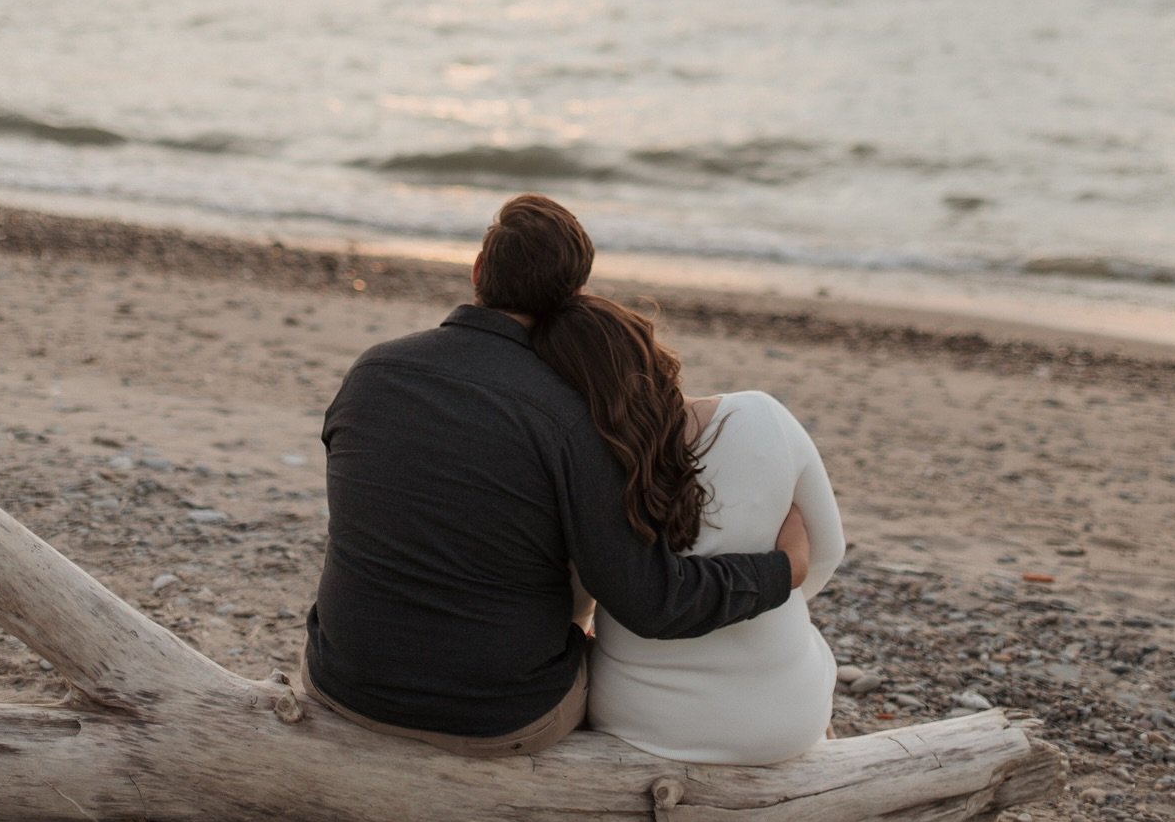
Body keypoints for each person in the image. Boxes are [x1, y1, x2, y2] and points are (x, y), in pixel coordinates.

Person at [303, 193, 811, 756]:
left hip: (342, 683)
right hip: (495, 717)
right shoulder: (570, 415)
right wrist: (781, 570)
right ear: (576, 294)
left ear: (478, 271)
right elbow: (650, 602)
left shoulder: (372, 371)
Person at [532, 289, 845, 765]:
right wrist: (771, 594)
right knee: (809, 651)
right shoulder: (762, 417)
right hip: (782, 721)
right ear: (649, 349)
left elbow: (577, 601)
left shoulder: (583, 464)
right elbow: (827, 553)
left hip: (642, 719)